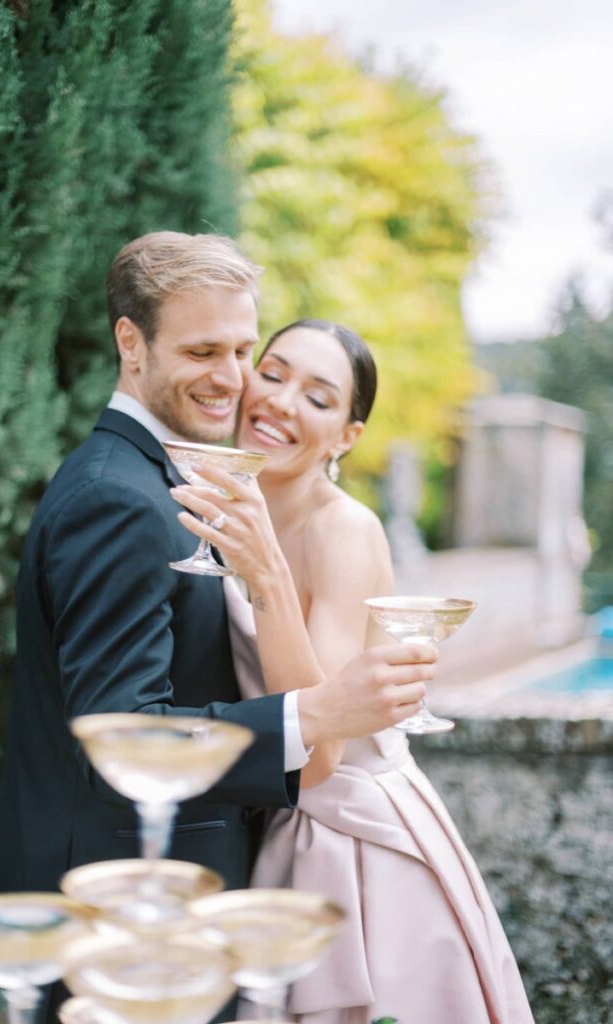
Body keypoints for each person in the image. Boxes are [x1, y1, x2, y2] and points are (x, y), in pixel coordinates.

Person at [0, 234, 436, 1023]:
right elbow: (119, 736)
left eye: (240, 350)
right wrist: (320, 714)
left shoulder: (173, 480)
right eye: (202, 351)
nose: (231, 380)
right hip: (121, 917)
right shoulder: (118, 499)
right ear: (131, 342)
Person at [170, 318, 534, 1024]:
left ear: (346, 436)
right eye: (272, 374)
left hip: (352, 846)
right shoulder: (223, 509)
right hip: (276, 822)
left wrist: (269, 576)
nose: (278, 401)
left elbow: (319, 756)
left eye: (318, 396)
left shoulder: (346, 530)